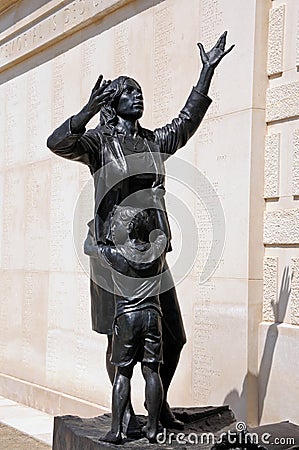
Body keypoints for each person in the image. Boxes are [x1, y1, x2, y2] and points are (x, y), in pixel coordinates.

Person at [47, 31, 234, 431]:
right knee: (118, 341)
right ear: (113, 104)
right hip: (113, 256)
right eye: (128, 92)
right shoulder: (99, 143)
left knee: (174, 336)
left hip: (152, 256)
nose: (137, 95)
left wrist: (206, 74)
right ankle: (124, 414)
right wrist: (85, 111)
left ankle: (158, 407)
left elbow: (185, 124)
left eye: (138, 90)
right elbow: (58, 142)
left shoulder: (151, 141)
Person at [85, 206, 168, 443]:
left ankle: (117, 430)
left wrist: (93, 227)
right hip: (153, 316)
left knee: (123, 373)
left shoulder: (115, 254)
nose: (115, 227)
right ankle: (153, 428)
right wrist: (155, 200)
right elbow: (163, 233)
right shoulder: (157, 249)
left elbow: (88, 248)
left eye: (119, 224)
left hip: (127, 318)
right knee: (152, 371)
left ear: (129, 227)